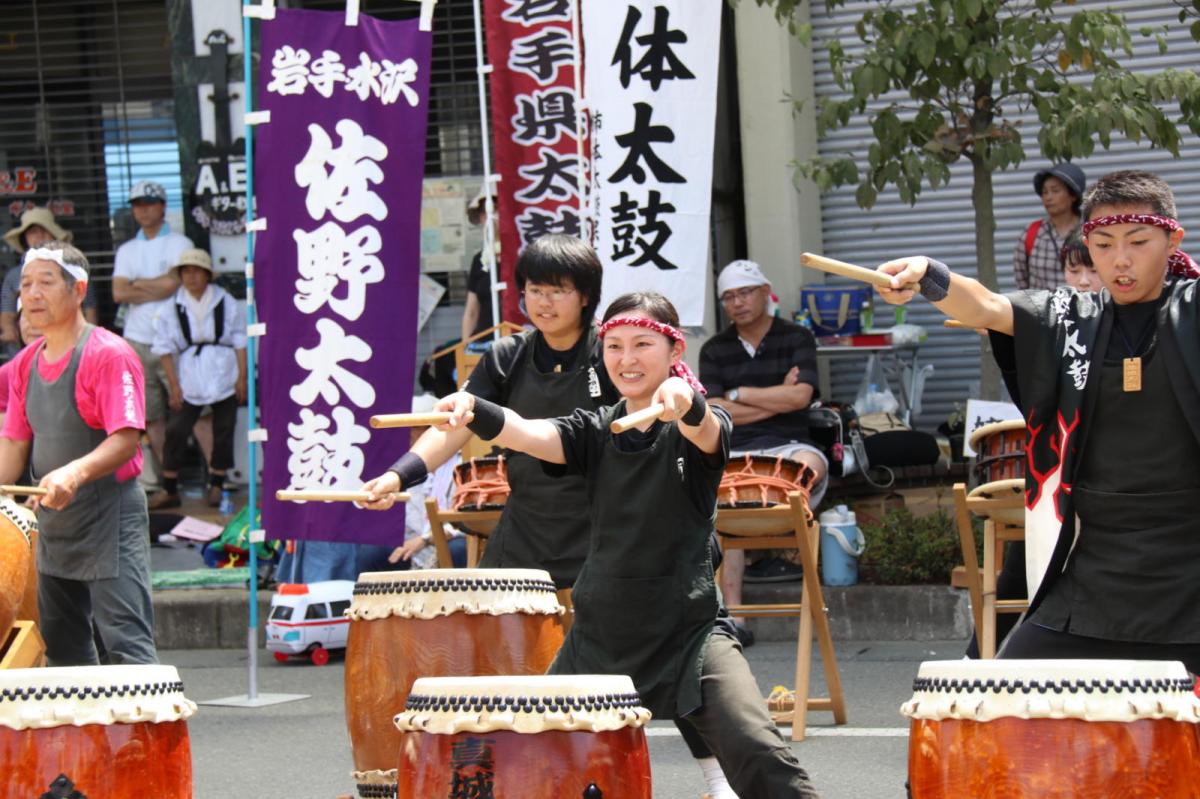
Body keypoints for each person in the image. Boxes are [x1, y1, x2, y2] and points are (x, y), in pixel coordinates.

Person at [420, 291, 821, 798]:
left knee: (760, 752)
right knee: (531, 753)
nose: (627, 359)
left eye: (642, 345)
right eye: (614, 346)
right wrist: (475, 408)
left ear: (675, 352)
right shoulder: (594, 428)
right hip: (600, 636)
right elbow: (527, 432)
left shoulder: (702, 424)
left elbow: (705, 430)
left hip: (689, 634)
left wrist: (688, 405)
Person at [877, 169, 1200, 673]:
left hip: (1191, 559)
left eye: (1138, 241)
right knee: (1011, 701)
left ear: (1172, 238)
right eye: (1103, 243)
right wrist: (927, 273)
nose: (1120, 259)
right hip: (1096, 567)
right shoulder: (1071, 315)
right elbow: (986, 305)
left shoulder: (1194, 310)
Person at [362, 234, 618, 591]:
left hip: (605, 526)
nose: (544, 302)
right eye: (535, 290)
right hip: (529, 526)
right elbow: (454, 425)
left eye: (558, 291)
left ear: (586, 295)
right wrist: (398, 476)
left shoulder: (612, 353)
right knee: (493, 628)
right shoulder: (506, 355)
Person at [0, 241, 156, 666]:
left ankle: (145, 734)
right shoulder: (24, 364)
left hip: (109, 518)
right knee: (64, 648)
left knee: (126, 644)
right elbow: (14, 442)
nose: (32, 294)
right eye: (26, 284)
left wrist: (73, 472)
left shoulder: (109, 354)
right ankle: (83, 735)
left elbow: (126, 438)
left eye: (46, 282)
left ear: (78, 290)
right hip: (55, 523)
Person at [699, 259, 827, 645]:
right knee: (725, 496)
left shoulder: (797, 337)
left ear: (765, 291)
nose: (737, 303)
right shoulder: (714, 349)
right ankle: (734, 616)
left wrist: (742, 395)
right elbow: (715, 409)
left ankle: (790, 559)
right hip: (736, 449)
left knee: (810, 466)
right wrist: (779, 398)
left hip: (791, 446)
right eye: (729, 297)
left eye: (745, 292)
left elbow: (802, 396)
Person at [111, 181, 194, 492]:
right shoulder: (127, 249)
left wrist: (137, 286)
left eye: (148, 202)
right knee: (151, 417)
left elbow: (174, 284)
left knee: (197, 411)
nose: (142, 208)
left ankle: (216, 482)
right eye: (136, 203)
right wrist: (154, 285)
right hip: (136, 340)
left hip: (176, 341)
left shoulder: (180, 243)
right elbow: (119, 292)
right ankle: (169, 484)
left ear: (162, 205)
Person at [149, 248, 247, 509]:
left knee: (224, 429)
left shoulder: (224, 300)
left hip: (222, 369)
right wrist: (174, 386)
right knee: (176, 429)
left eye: (197, 271)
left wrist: (242, 378)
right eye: (186, 272)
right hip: (190, 371)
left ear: (207, 275)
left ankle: (217, 482)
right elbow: (165, 349)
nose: (192, 277)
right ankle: (169, 486)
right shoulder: (172, 307)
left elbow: (240, 340)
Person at [387, 394, 467, 570]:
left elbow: (466, 521)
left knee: (458, 549)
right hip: (415, 538)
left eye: (415, 427)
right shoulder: (408, 463)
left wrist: (425, 539)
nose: (408, 434)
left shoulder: (465, 462)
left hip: (451, 537)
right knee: (374, 553)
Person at [1, 207, 96, 351]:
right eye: (33, 232)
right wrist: (18, 332)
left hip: (70, 349)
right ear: (24, 238)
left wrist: (88, 344)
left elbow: (90, 311)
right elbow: (7, 315)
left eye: (44, 230)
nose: (39, 236)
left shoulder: (73, 270)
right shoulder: (13, 276)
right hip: (24, 351)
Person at [1013, 163, 1086, 290]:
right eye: (1044, 192)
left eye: (1055, 191)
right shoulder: (1031, 234)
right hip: (1042, 309)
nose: (1048, 197)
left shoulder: (1091, 232)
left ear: (1073, 195)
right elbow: (1022, 281)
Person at [461, 185, 498, 342]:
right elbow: (471, 311)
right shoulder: (480, 259)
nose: (489, 217)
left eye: (495, 209)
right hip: (484, 345)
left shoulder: (527, 256)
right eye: (484, 212)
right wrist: (464, 349)